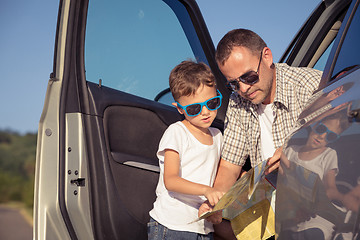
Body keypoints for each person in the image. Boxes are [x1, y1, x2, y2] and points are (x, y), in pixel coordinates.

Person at [199, 28, 323, 239]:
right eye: (234, 83)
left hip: (319, 204)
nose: (244, 89)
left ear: (267, 56)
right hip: (272, 209)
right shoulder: (237, 104)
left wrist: (295, 150)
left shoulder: (310, 86)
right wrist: (215, 204)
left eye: (249, 77)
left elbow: (340, 140)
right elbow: (230, 165)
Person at [148, 60, 224, 240]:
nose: (205, 112)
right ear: (180, 109)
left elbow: (223, 172)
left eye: (212, 103)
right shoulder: (177, 132)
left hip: (203, 226)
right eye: (194, 108)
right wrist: (207, 191)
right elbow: (171, 180)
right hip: (171, 225)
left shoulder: (217, 136)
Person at [278, 110, 351, 240]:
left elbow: (330, 188)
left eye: (330, 136)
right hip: (290, 212)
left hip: (314, 213)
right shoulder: (291, 150)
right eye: (321, 128)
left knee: (314, 234)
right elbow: (282, 179)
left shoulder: (328, 154)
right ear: (314, 124)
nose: (322, 136)